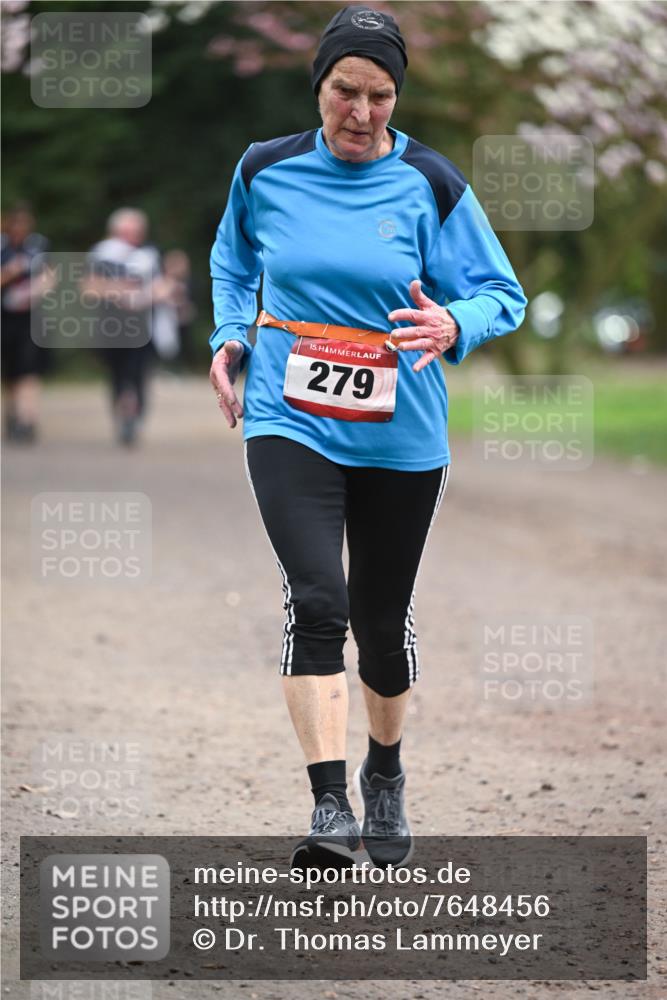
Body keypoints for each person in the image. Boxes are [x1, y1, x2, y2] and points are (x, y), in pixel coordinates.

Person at [209, 5, 527, 869]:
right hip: (288, 415)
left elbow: (503, 293)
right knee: (318, 602)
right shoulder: (264, 169)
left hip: (399, 433)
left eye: (379, 95)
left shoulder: (431, 181)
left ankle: (382, 769)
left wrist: (451, 324)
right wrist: (231, 335)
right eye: (344, 91)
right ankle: (329, 804)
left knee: (380, 626)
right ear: (317, 86)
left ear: (397, 96)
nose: (360, 111)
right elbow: (233, 261)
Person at [85, 209, 175, 446]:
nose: (133, 236)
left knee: (138, 374)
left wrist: (146, 297)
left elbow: (164, 286)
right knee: (117, 375)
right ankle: (122, 415)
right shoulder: (101, 255)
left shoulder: (149, 254)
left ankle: (134, 417)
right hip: (111, 326)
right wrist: (119, 293)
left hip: (143, 326)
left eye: (136, 232)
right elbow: (89, 289)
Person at [1, 204, 51, 444]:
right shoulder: (2, 247)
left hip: (30, 319)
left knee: (29, 371)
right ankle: (12, 415)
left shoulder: (38, 246)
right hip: (5, 318)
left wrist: (40, 289)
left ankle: (27, 419)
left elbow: (50, 275)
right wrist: (9, 274)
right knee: (11, 373)